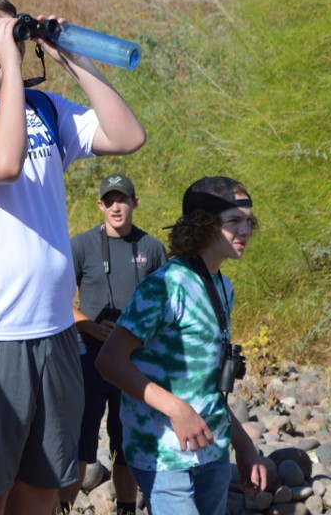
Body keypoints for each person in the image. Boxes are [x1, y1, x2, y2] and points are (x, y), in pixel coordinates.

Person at [0, 0, 146, 514]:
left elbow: (127, 135)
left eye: (12, 31)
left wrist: (72, 56)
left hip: (53, 329)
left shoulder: (45, 106)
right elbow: (1, 164)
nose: (8, 43)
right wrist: (10, 71)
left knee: (44, 485)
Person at [95, 176, 268, 515]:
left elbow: (206, 387)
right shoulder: (164, 287)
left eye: (248, 221)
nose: (245, 230)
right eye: (234, 221)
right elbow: (109, 361)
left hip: (212, 451)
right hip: (163, 453)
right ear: (203, 226)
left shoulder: (223, 286)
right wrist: (177, 409)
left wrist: (244, 445)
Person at [59, 173, 166, 515]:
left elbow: (165, 305)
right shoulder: (81, 245)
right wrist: (89, 326)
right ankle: (62, 507)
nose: (115, 207)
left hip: (134, 363)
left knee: (125, 444)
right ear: (99, 205)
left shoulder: (152, 248)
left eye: (122, 200)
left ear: (135, 203)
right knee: (81, 445)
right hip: (87, 359)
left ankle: (125, 508)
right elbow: (57, 299)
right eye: (109, 201)